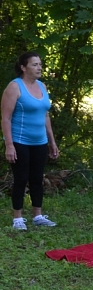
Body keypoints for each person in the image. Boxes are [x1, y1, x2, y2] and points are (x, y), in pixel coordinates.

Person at [1, 52, 59, 230]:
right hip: (20, 141)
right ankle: (17, 218)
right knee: (21, 178)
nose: (39, 67)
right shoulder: (14, 87)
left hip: (39, 142)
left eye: (40, 64)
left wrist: (52, 141)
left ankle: (37, 215)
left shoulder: (42, 86)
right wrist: (9, 145)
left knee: (36, 178)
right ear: (23, 67)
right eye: (34, 64)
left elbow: (45, 115)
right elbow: (5, 118)